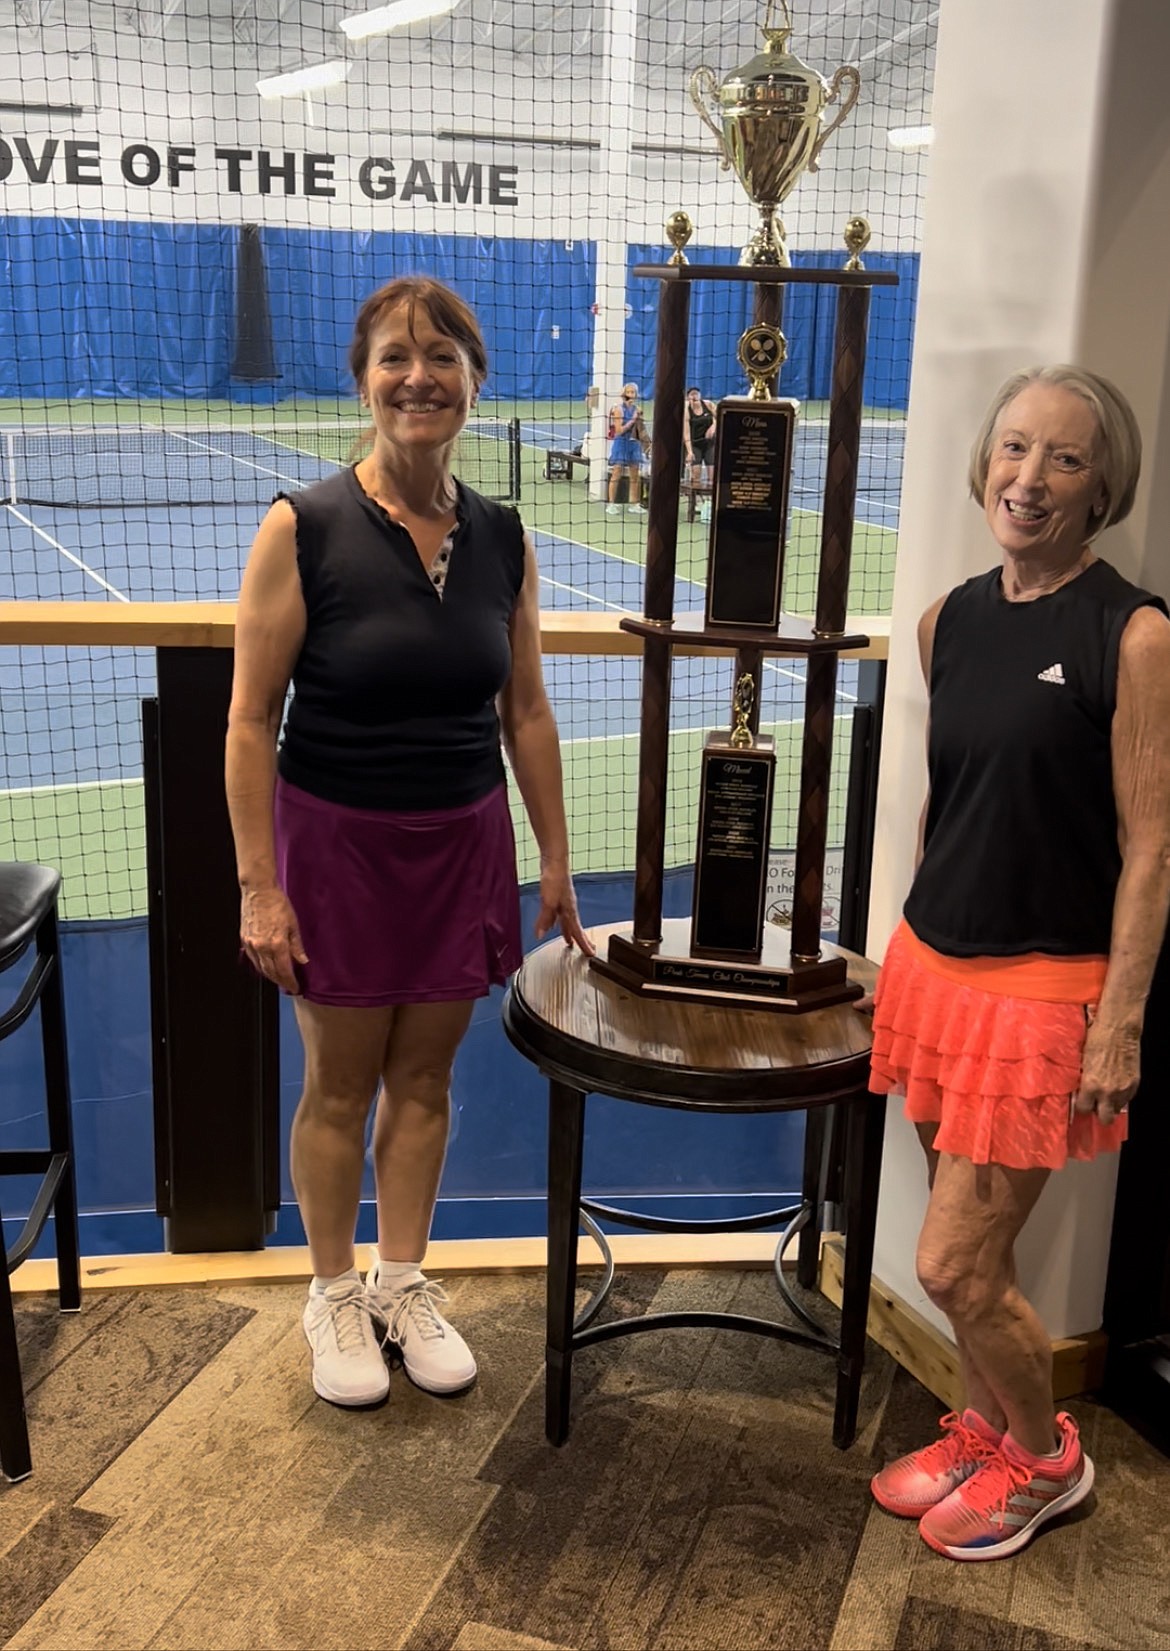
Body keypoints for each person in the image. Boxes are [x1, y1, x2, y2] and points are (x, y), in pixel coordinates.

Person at [226, 275, 592, 1411]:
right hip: (335, 849)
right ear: (364, 380)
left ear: (475, 382)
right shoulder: (304, 526)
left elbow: (523, 710)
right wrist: (260, 888)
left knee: (425, 1077)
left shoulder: (505, 539)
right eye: (394, 356)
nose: (418, 376)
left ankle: (400, 1282)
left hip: (462, 842)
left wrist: (557, 859)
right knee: (339, 1084)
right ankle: (332, 1294)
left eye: (441, 357)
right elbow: (248, 722)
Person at [867, 364, 1170, 1561]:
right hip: (935, 972)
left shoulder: (1134, 632)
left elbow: (1151, 847)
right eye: (1012, 449)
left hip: (1047, 995)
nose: (1027, 478)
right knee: (973, 1252)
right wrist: (905, 951)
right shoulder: (950, 617)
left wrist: (1122, 1017)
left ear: (1105, 489)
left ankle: (1046, 1461)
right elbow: (957, 804)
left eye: (1064, 459)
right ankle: (988, 1427)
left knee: (952, 1263)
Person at [606, 382, 648, 515]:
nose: (631, 395)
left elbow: (640, 429)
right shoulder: (618, 409)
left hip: (634, 444)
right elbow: (619, 431)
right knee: (617, 472)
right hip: (621, 443)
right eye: (628, 392)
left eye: (633, 392)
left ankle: (634, 504)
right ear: (624, 394)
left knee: (635, 474)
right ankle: (611, 504)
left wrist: (647, 443)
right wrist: (632, 420)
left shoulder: (638, 409)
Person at [683, 386, 718, 488]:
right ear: (688, 398)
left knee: (712, 476)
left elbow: (720, 416)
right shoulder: (687, 411)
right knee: (696, 475)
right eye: (692, 395)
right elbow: (686, 433)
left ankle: (710, 500)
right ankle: (695, 501)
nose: (694, 397)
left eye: (696, 394)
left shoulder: (708, 405)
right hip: (695, 444)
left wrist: (713, 427)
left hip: (709, 444)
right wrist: (689, 452)